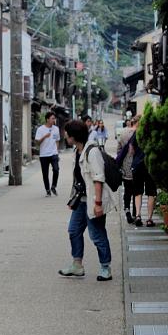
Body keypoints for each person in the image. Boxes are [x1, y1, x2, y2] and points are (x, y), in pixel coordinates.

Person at [58, 119, 113, 281]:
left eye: (67, 134)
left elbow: (98, 178)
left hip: (93, 200)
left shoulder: (92, 151)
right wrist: (72, 199)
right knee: (74, 230)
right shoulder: (78, 151)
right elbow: (79, 179)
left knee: (96, 234)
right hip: (81, 200)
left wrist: (97, 203)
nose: (65, 136)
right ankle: (77, 265)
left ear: (74, 136)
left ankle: (105, 267)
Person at [130, 116, 158, 227]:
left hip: (137, 165)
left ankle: (138, 215)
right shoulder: (152, 133)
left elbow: (131, 149)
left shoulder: (137, 133)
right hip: (150, 165)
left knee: (138, 192)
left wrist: (137, 154)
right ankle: (150, 219)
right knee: (151, 192)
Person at [116, 116, 139, 224]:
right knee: (137, 191)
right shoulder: (140, 133)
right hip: (137, 165)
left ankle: (127, 209)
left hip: (126, 166)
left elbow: (119, 150)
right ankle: (135, 213)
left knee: (127, 190)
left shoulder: (122, 133)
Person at [35, 111, 61, 196]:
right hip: (44, 155)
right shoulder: (40, 129)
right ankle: (47, 190)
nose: (54, 120)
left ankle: (53, 186)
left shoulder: (56, 129)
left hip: (53, 153)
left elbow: (57, 141)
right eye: (52, 118)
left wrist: (56, 151)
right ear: (47, 119)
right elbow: (37, 142)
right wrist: (44, 136)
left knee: (56, 170)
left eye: (54, 118)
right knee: (45, 173)